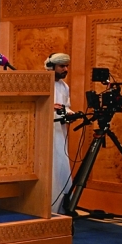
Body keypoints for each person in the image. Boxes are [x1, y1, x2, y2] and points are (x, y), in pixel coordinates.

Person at [46, 53, 73, 213]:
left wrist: (69, 113)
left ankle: (62, 208)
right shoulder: (43, 83)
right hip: (48, 132)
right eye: (62, 66)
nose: (65, 69)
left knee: (62, 165)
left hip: (60, 132)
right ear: (52, 67)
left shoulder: (64, 86)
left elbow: (66, 105)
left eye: (67, 66)